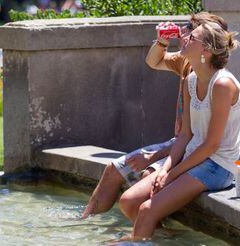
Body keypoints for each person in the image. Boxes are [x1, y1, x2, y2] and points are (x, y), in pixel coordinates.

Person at [81, 12, 228, 219]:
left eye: (190, 28)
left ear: (205, 41)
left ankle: (159, 234)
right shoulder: (186, 63)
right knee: (113, 169)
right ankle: (84, 223)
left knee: (145, 178)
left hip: (190, 151)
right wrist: (162, 41)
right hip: (178, 143)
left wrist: (154, 157)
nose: (184, 31)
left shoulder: (215, 79)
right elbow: (154, 61)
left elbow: (199, 139)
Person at [119, 20, 240, 241]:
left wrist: (171, 175)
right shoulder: (190, 80)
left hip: (218, 165)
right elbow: (185, 135)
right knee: (129, 201)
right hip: (191, 155)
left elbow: (211, 145)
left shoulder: (223, 85)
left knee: (147, 210)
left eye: (192, 36)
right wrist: (165, 169)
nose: (184, 37)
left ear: (205, 50)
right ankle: (166, 239)